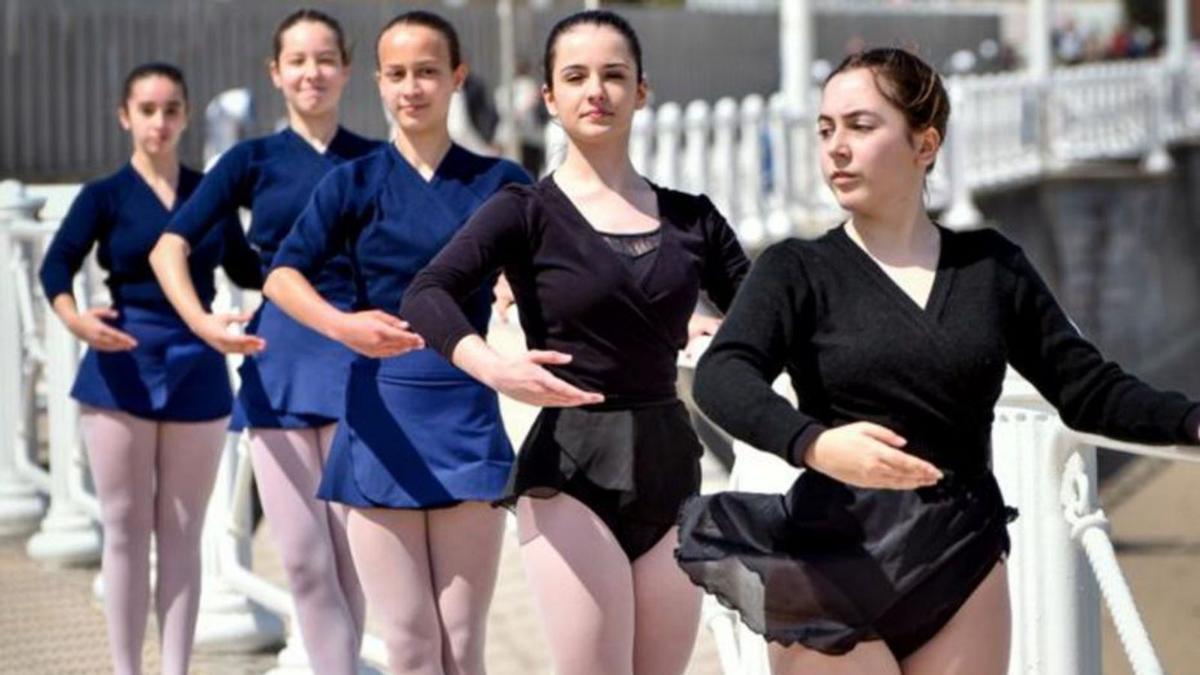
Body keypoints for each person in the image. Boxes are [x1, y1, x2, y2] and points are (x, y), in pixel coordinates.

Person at [674, 47, 1200, 675]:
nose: (836, 147)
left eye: (861, 126)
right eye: (825, 129)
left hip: (961, 559)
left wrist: (1189, 420)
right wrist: (814, 444)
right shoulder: (796, 269)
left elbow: (1086, 388)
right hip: (831, 560)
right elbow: (723, 374)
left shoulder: (990, 266)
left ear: (925, 144)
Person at [401, 11, 750, 675]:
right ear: (550, 98)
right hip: (570, 472)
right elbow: (428, 294)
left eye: (614, 75)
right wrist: (497, 368)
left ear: (641, 92)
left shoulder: (692, 218)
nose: (597, 90)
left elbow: (767, 315)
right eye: (577, 76)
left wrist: (717, 328)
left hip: (672, 466)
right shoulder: (523, 211)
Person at [262, 11, 530, 674]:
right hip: (379, 414)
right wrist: (342, 325)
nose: (412, 87)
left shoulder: (498, 183)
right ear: (379, 82)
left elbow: (553, 270)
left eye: (428, 72)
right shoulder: (351, 182)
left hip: (466, 410)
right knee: (410, 646)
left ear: (456, 77)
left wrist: (513, 287)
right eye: (398, 74)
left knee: (462, 643)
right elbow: (282, 277)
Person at [147, 10, 379, 673]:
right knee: (305, 560)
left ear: (346, 69)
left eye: (326, 58)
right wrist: (201, 321)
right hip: (275, 361)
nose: (313, 72)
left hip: (358, 359)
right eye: (298, 61)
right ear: (276, 73)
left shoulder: (376, 159)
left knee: (349, 554)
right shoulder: (250, 159)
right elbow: (171, 247)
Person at [38, 63, 262, 675]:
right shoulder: (103, 195)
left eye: (170, 109)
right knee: (125, 529)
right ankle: (125, 669)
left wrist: (314, 267)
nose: (159, 122)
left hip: (198, 361)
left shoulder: (208, 191)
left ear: (187, 115)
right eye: (147, 109)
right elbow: (56, 265)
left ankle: (175, 670)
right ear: (125, 116)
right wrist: (75, 319)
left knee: (184, 535)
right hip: (121, 360)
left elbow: (247, 269)